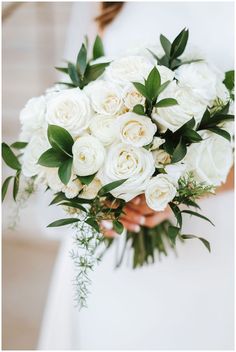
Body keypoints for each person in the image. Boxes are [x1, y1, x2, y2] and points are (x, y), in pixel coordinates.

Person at [38, 2, 234, 350]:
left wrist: (177, 192)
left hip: (218, 242)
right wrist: (97, 188)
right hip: (115, 250)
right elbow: (89, 91)